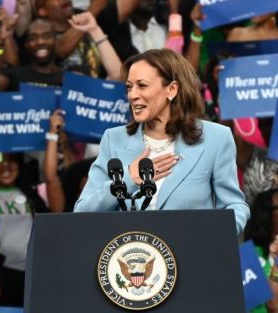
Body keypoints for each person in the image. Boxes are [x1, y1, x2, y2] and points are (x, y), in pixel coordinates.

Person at [74, 49, 249, 235]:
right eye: (129, 87)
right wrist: (128, 179)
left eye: (141, 85)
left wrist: (213, 238)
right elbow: (82, 211)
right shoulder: (113, 139)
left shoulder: (216, 138)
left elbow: (234, 206)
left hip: (191, 256)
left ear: (171, 89)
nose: (132, 95)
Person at [0, 146, 50, 307]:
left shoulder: (34, 194)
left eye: (11, 160)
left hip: (34, 274)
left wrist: (52, 137)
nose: (5, 165)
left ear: (19, 165)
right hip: (0, 274)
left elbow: (52, 181)